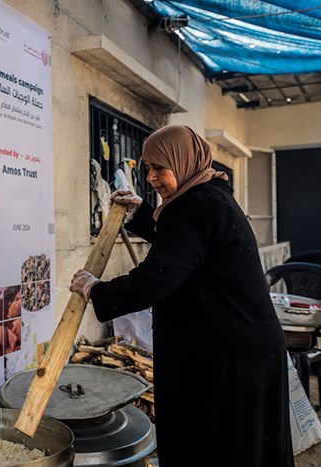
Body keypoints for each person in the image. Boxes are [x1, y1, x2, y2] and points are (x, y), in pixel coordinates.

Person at [70, 125, 294, 467]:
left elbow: (157, 278)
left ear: (184, 161)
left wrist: (96, 289)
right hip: (242, 350)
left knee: (220, 448)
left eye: (160, 167)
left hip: (229, 360)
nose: (152, 177)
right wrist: (141, 213)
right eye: (148, 168)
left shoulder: (196, 206)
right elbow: (184, 245)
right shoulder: (207, 196)